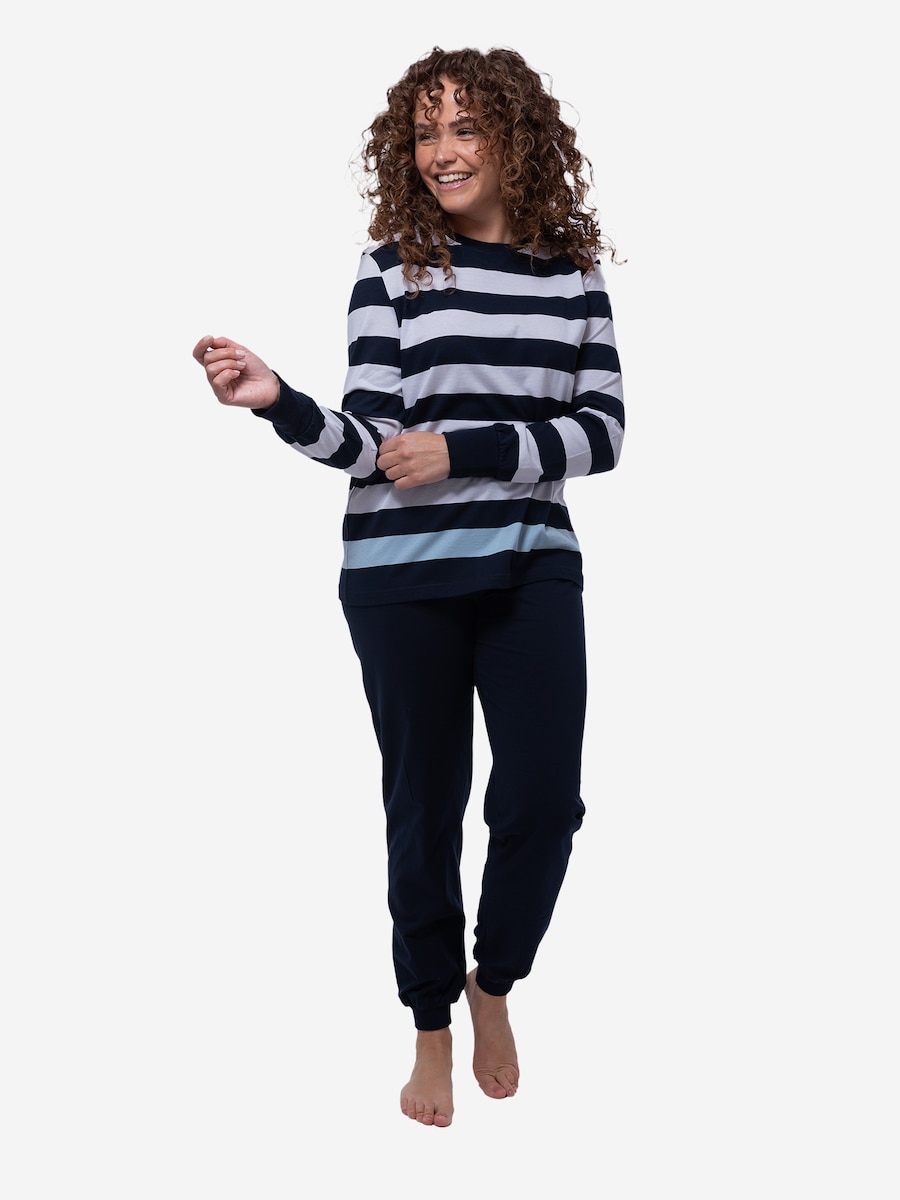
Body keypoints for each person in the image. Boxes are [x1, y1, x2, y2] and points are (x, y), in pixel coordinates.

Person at [192, 45, 624, 1128]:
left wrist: (464, 449)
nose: (444, 151)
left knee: (543, 802)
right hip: (399, 576)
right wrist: (279, 401)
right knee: (423, 807)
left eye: (466, 127)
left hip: (531, 563)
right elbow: (372, 440)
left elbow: (604, 434)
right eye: (427, 133)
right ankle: (431, 1020)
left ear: (517, 137)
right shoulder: (391, 269)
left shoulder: (573, 274)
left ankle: (494, 980)